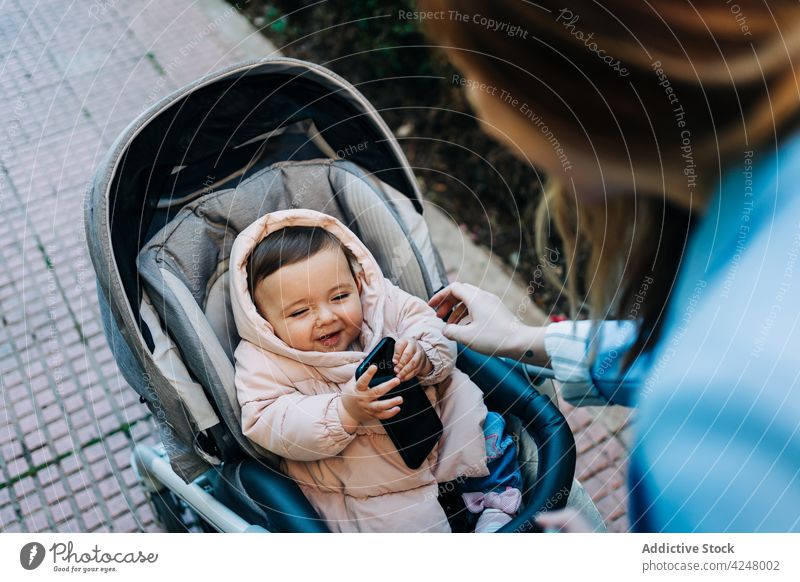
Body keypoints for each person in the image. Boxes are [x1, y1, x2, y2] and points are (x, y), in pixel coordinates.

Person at [420, 0, 800, 531]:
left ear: (560, 99)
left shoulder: (720, 425)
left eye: (470, 73)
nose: (471, 96)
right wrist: (525, 339)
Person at [229, 209, 522, 532]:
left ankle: (494, 505)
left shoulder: (382, 301)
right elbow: (268, 420)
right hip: (365, 481)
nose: (327, 317)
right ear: (263, 320)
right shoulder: (262, 361)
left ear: (357, 283)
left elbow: (426, 322)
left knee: (487, 428)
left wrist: (423, 353)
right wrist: (343, 412)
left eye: (339, 296)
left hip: (439, 425)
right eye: (300, 311)